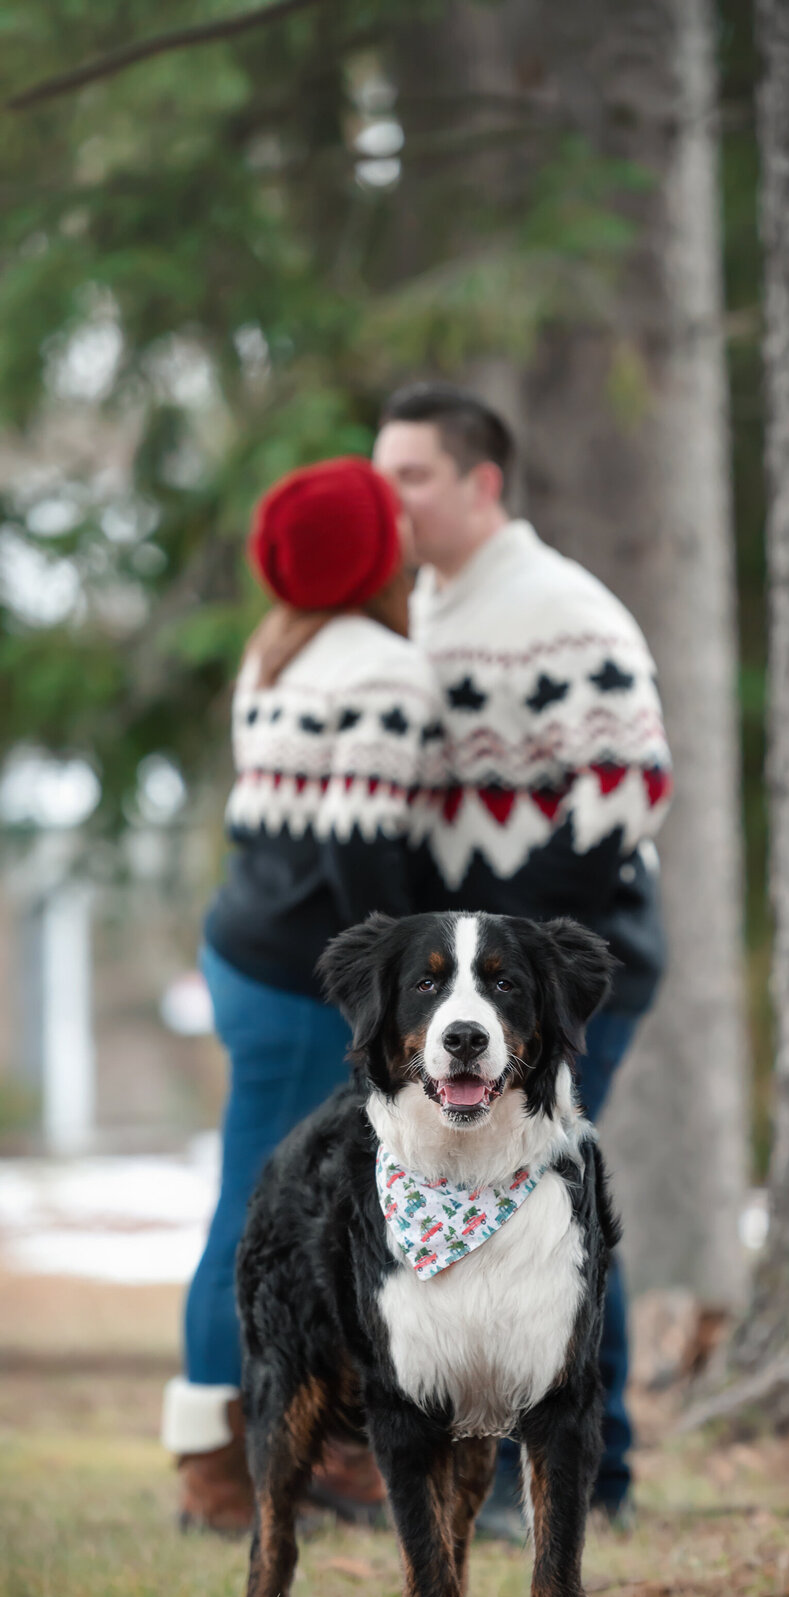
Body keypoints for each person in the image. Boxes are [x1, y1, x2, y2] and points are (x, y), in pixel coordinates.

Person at [376, 382, 673, 1532]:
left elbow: (625, 797)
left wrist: (503, 956)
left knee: (548, 1183)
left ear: (480, 482)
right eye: (382, 473)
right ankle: (490, 1459)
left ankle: (593, 1473)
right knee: (477, 1186)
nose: (389, 498)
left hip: (569, 961)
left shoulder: (564, 613)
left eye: (412, 476)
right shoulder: (431, 608)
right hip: (469, 979)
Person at [161, 456, 444, 1532]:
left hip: (248, 949)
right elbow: (363, 859)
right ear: (377, 554)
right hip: (296, 979)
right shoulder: (380, 668)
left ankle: (312, 1448)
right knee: (256, 1216)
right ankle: (216, 1470)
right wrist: (404, 993)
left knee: (312, 1215)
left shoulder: (279, 649)